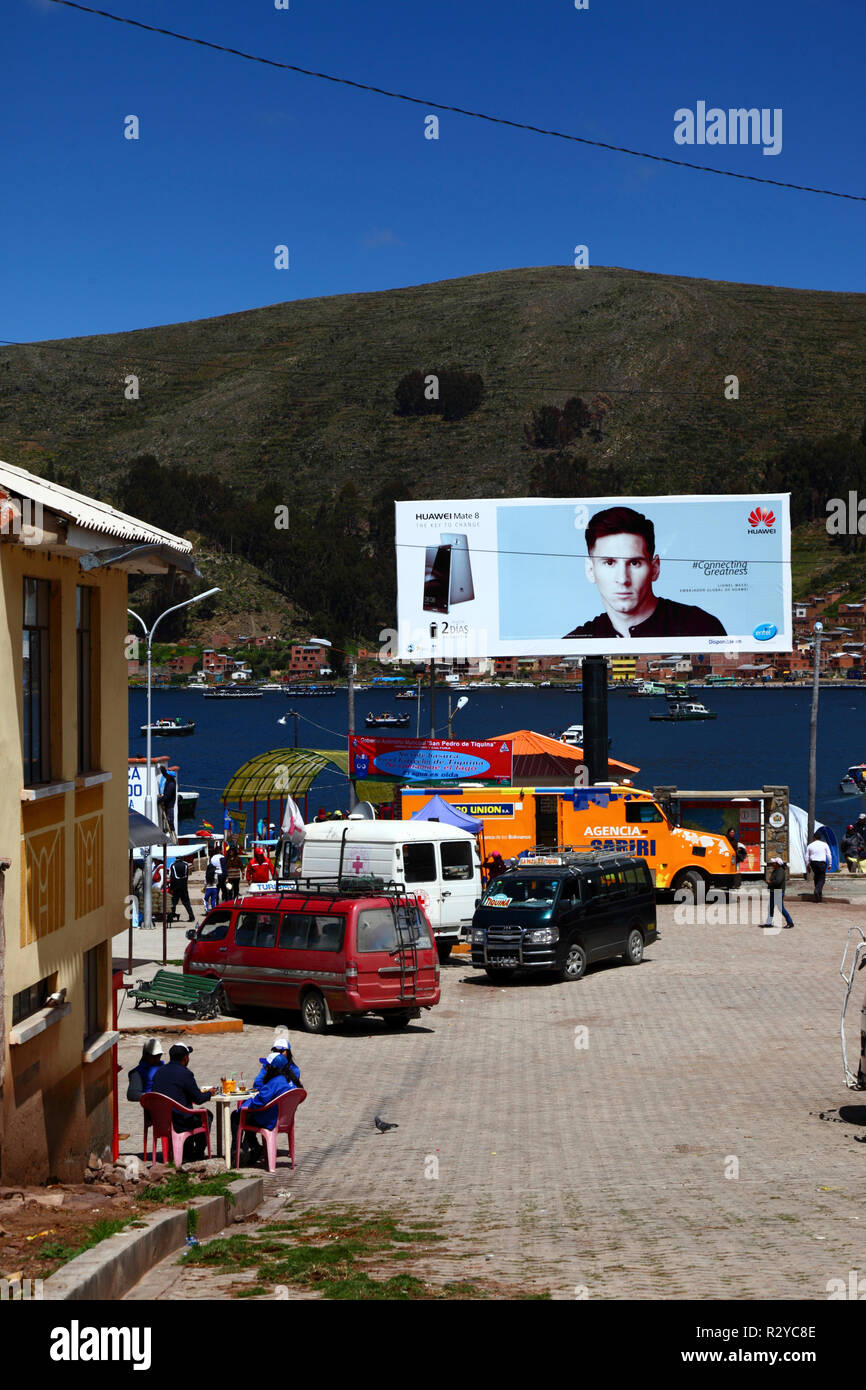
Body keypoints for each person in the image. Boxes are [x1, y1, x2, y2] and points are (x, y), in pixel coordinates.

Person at [563, 506, 728, 639]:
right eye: (609, 562)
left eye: (634, 563)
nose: (622, 579)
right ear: (590, 570)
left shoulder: (701, 627)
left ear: (655, 568)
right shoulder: (575, 642)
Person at [150, 1043, 216, 1160]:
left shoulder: (159, 1072)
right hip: (180, 1122)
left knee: (188, 1113)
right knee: (205, 1115)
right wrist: (209, 1093)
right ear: (186, 1058)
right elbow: (199, 1099)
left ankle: (186, 1151)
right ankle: (198, 1153)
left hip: (161, 1121)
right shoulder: (185, 1073)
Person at [230, 1053, 296, 1164]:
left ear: (272, 1068)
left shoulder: (274, 1082)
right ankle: (255, 1147)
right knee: (247, 1117)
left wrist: (247, 1104)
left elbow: (258, 1102)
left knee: (236, 1116)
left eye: (266, 1066)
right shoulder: (289, 1081)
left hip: (269, 1119)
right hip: (283, 1119)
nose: (264, 1068)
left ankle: (236, 1150)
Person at [763, 857, 794, 930]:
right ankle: (768, 923)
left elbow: (778, 881)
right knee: (770, 907)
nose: (772, 863)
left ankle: (790, 922)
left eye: (774, 862)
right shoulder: (776, 870)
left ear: (777, 864)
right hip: (774, 891)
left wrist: (770, 883)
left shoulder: (780, 871)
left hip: (778, 892)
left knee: (781, 908)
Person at [805, 834, 832, 902]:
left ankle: (819, 896)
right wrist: (830, 864)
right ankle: (817, 890)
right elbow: (829, 854)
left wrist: (807, 865)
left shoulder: (810, 845)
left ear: (814, 838)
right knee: (822, 878)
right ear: (820, 838)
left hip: (813, 863)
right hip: (821, 863)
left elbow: (806, 856)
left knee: (816, 877)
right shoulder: (824, 844)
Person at [168, 854, 195, 923]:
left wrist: (171, 888)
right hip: (184, 886)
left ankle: (171, 917)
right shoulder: (186, 865)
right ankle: (191, 917)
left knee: (173, 903)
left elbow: (172, 877)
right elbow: (187, 875)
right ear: (182, 858)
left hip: (176, 887)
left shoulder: (172, 865)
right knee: (186, 903)